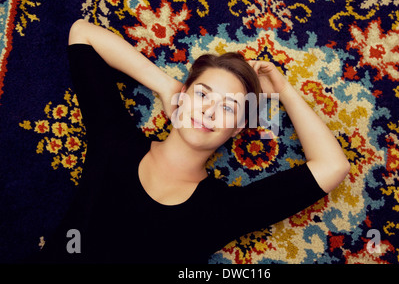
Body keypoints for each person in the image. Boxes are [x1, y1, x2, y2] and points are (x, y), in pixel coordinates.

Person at [37, 19, 350, 263]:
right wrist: (165, 85)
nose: (209, 111)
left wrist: (282, 89)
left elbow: (332, 166)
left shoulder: (222, 210)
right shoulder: (114, 140)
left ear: (238, 129)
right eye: (203, 94)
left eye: (228, 108)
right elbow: (82, 34)